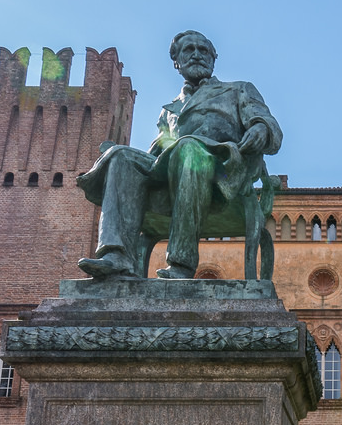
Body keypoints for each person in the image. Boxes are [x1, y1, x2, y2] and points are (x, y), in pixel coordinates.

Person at [75, 30, 282, 279]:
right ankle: (117, 256)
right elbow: (157, 153)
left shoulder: (238, 90)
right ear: (177, 62)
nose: (196, 55)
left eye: (203, 50)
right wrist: (127, 159)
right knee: (121, 156)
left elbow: (272, 128)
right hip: (175, 175)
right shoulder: (169, 111)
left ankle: (181, 263)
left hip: (225, 173)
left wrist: (261, 128)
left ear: (213, 59)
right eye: (189, 50)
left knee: (189, 149)